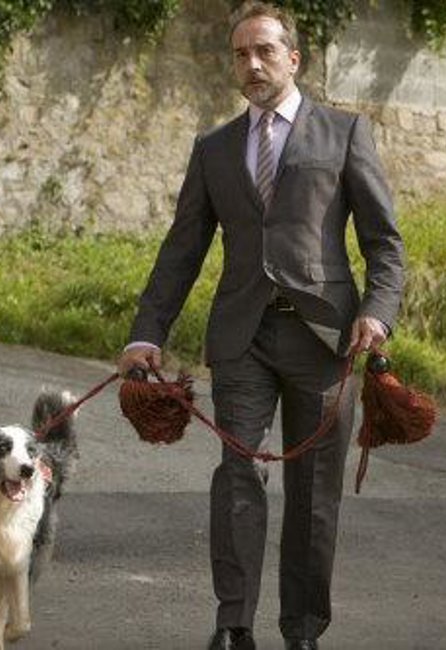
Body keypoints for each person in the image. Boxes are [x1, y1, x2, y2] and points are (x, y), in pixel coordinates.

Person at [115, 3, 405, 649]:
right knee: (239, 475)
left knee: (314, 493)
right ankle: (233, 626)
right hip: (242, 337)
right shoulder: (214, 149)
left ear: (293, 58)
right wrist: (146, 332)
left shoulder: (344, 133)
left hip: (326, 339)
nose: (252, 64)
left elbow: (385, 244)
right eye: (241, 54)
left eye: (265, 51)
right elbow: (182, 249)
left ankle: (302, 631)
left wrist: (378, 313)